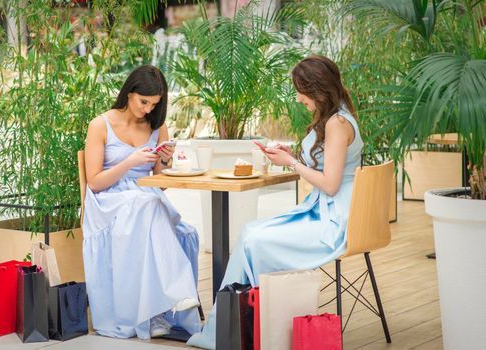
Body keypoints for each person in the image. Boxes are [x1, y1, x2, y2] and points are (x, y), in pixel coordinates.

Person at [187, 55, 364, 349]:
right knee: (250, 233)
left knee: (254, 240)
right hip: (327, 212)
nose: (298, 97)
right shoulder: (337, 117)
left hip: (333, 222)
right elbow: (329, 162)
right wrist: (291, 153)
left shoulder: (337, 123)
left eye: (301, 90)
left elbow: (330, 185)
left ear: (318, 89)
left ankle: (244, 329)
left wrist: (291, 162)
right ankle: (244, 327)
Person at [82, 65, 201, 340]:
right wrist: (130, 162)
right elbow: (95, 182)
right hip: (108, 201)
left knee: (187, 232)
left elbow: (160, 183)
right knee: (148, 205)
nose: (148, 109)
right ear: (129, 92)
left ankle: (158, 313)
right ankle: (177, 293)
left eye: (154, 104)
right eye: (143, 102)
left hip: (145, 197)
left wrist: (165, 161)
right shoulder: (100, 125)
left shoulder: (157, 126)